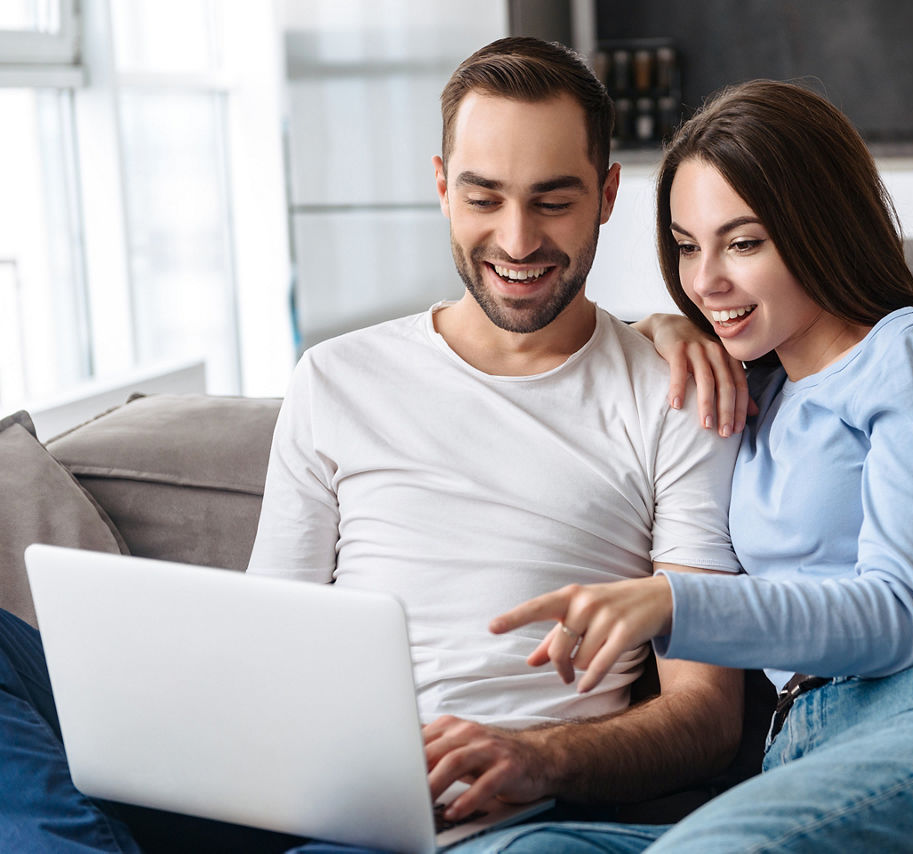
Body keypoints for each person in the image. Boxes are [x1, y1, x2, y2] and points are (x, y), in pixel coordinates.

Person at [0, 37, 745, 853]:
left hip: (501, 814)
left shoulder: (676, 392)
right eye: (483, 197)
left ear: (608, 194)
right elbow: (266, 640)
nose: (518, 239)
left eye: (553, 201)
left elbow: (706, 713)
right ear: (440, 186)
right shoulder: (338, 377)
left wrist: (539, 759)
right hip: (310, 781)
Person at [484, 79, 913, 852]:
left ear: (819, 227)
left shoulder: (909, 351)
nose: (706, 281)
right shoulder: (749, 391)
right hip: (798, 756)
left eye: (743, 242)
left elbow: (902, 616)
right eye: (686, 245)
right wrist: (658, 329)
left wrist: (673, 604)